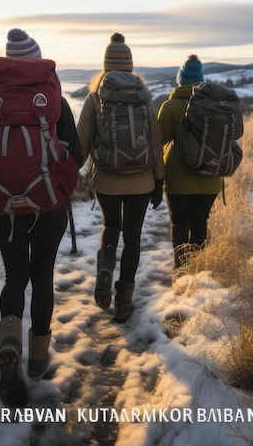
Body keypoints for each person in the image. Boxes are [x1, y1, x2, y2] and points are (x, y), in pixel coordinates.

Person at [0, 28, 83, 407]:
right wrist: (51, 182)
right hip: (48, 205)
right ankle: (36, 359)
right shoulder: (54, 100)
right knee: (42, 277)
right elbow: (76, 154)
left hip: (4, 206)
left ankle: (9, 348)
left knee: (15, 277)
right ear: (37, 61)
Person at [77, 33, 164, 323]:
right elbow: (154, 141)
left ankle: (105, 265)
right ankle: (124, 300)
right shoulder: (144, 97)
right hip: (141, 180)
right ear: (130, 66)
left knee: (111, 225)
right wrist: (159, 180)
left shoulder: (94, 97)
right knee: (134, 236)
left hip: (107, 179)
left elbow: (82, 143)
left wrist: (65, 176)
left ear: (105, 66)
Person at [157, 54, 222, 268]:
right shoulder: (216, 106)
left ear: (180, 80)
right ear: (201, 79)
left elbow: (158, 140)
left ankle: (182, 270)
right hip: (211, 177)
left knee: (180, 223)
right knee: (200, 223)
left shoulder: (170, 106)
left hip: (178, 179)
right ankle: (198, 270)